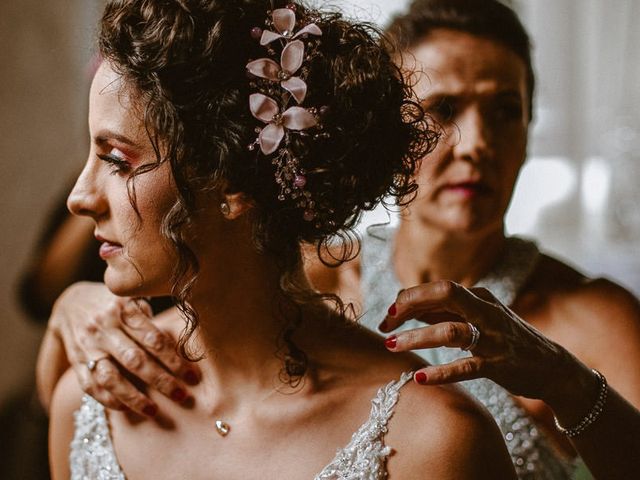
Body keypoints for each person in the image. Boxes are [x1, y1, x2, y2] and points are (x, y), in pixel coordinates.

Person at [37, 0, 640, 478]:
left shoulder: (581, 324)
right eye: (445, 107)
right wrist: (75, 306)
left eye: (506, 110)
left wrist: (568, 384)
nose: (476, 143)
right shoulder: (311, 269)